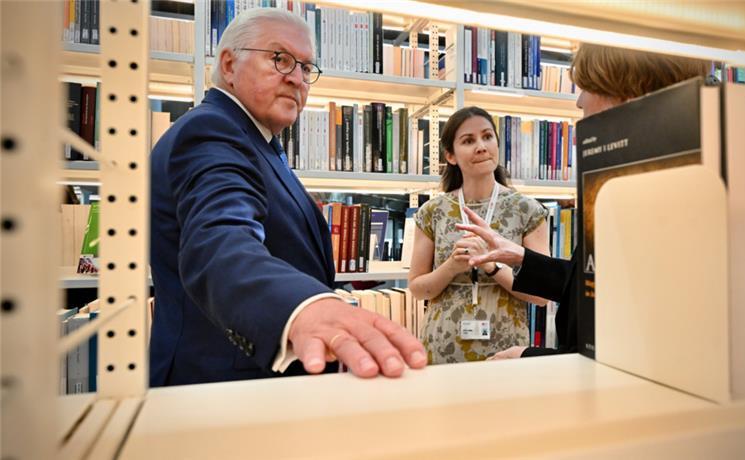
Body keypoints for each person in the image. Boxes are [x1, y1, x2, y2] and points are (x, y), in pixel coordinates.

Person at [150, 8, 426, 386]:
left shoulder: (259, 142)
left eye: (306, 68)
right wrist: (301, 307)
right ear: (229, 65)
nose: (297, 78)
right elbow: (219, 241)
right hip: (220, 389)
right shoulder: (211, 129)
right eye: (280, 59)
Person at [456, 43, 711, 360]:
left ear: (627, 94)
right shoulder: (637, 178)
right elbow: (596, 281)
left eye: (587, 88)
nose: (579, 101)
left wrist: (528, 357)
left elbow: (630, 350)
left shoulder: (659, 195)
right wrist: (520, 256)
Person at [408, 106, 551, 364]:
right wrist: (451, 267)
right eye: (468, 141)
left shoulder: (527, 210)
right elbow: (418, 289)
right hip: (442, 348)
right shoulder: (432, 212)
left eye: (487, 137)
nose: (481, 147)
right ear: (450, 156)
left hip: (506, 350)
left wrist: (491, 265)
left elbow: (541, 296)